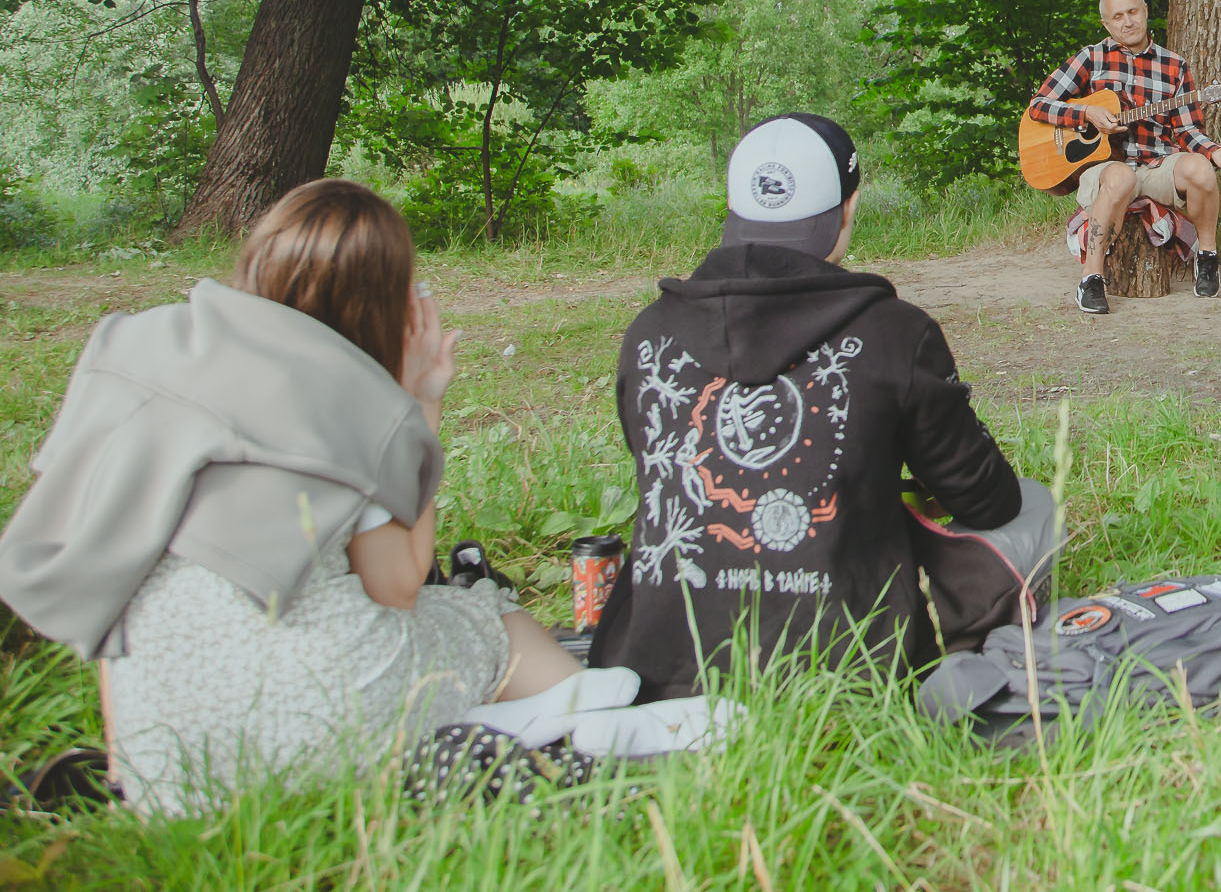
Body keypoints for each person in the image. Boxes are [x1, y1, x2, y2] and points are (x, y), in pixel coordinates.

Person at [0, 181, 702, 816]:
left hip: (169, 758)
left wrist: (134, 768)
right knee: (489, 615)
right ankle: (583, 727)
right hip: (335, 710)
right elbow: (397, 583)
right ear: (386, 298)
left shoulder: (153, 368)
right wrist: (419, 401)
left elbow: (111, 595)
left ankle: (520, 725)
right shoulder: (342, 396)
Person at [591, 114, 1054, 699]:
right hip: (854, 675)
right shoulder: (895, 333)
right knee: (1036, 503)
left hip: (656, 672)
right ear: (849, 207)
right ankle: (985, 659)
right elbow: (990, 501)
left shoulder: (649, 333)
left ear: (735, 216)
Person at [1029, 0, 1221, 313]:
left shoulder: (1174, 66)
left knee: (1201, 170)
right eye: (1117, 16)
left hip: (1157, 164)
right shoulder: (1091, 59)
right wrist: (1085, 112)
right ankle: (1091, 279)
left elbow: (1188, 131)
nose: (1127, 22)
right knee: (1121, 178)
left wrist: (1215, 151)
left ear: (1145, 12)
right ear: (1106, 24)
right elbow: (1038, 105)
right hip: (1106, 169)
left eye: (1132, 12)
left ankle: (1207, 256)